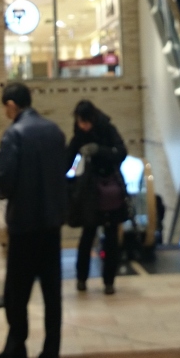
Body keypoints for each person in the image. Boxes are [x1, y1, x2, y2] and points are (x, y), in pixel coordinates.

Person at [0, 82, 66, 358]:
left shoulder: (15, 134)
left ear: (11, 105)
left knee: (16, 293)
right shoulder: (54, 131)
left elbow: (3, 177)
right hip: (52, 223)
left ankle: (16, 349)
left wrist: (3, 192)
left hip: (24, 224)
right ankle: (51, 353)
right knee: (52, 292)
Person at [66, 100, 128, 295]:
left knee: (111, 238)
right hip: (90, 193)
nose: (83, 126)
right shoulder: (79, 134)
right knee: (87, 235)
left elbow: (121, 152)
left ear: (92, 119)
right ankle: (81, 278)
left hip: (109, 189)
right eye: (80, 122)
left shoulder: (107, 129)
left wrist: (98, 150)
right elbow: (68, 159)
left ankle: (109, 281)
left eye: (86, 122)